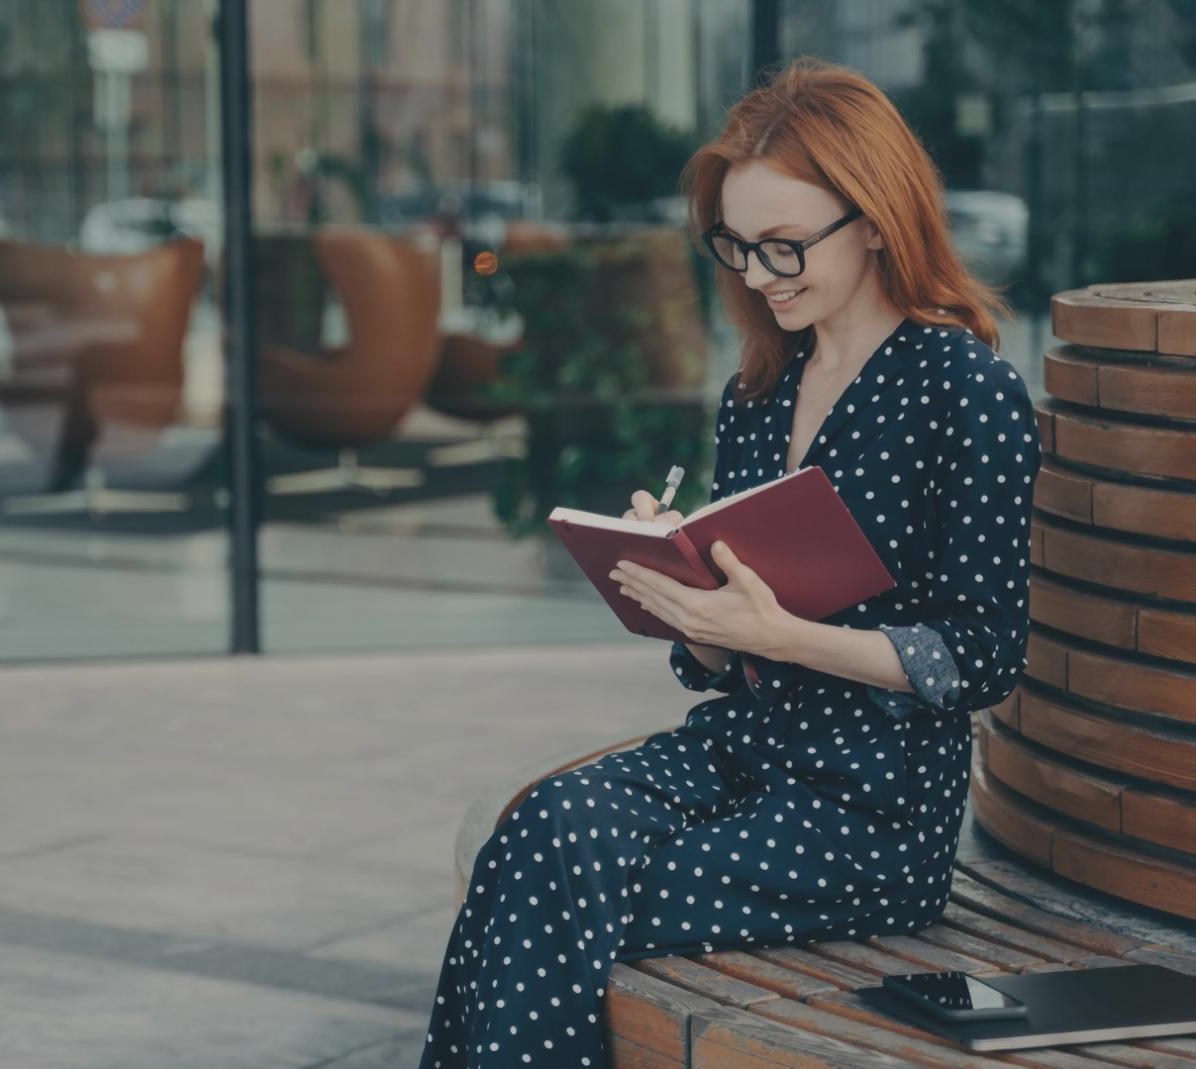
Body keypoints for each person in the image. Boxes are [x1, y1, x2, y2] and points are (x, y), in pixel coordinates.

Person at [417, 55, 1041, 1068]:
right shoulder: (757, 392)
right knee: (537, 824)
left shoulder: (960, 389)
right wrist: (685, 603)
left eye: (784, 246)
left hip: (868, 813)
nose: (756, 275)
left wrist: (777, 634)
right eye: (735, 247)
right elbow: (710, 664)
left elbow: (982, 655)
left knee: (562, 871)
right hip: (742, 750)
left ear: (875, 220)